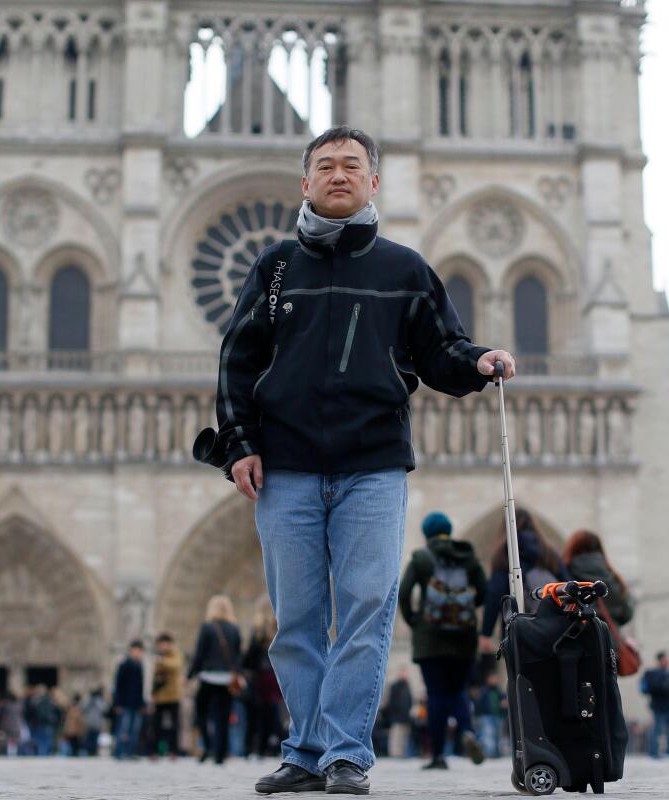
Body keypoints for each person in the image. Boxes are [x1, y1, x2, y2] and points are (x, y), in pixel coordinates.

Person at [206, 126, 517, 795]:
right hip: (286, 465)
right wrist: (238, 445)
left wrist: (478, 362)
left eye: (352, 165)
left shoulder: (404, 268)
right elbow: (237, 359)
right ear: (307, 183)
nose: (339, 174)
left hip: (372, 465)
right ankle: (306, 749)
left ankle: (346, 752)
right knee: (295, 618)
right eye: (326, 166)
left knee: (367, 608)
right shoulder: (276, 266)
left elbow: (441, 350)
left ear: (373, 182)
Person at [397, 511, 487, 769]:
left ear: (427, 534)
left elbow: (404, 593)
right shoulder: (468, 558)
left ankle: (437, 755)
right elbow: (483, 591)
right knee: (459, 691)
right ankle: (468, 730)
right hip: (464, 637)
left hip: (430, 639)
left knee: (435, 694)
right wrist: (466, 609)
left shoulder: (422, 558)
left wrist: (415, 620)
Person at [479, 510, 567, 649]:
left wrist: (486, 633)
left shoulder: (505, 554)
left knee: (521, 668)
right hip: (553, 626)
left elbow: (495, 594)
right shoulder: (549, 553)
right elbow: (566, 586)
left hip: (518, 629)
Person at [187, 595, 242, 765]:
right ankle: (220, 754)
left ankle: (208, 744)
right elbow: (238, 656)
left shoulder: (207, 628)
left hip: (208, 677)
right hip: (227, 679)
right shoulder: (235, 629)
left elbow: (199, 655)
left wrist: (189, 675)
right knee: (223, 718)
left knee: (201, 713)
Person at [561, 530, 634, 627]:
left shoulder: (564, 573)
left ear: (571, 548)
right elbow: (627, 613)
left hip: (577, 636)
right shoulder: (613, 575)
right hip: (608, 638)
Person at [242, 599, 283, 759]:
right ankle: (275, 744)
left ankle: (260, 746)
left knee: (260, 712)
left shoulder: (258, 631)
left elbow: (250, 657)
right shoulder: (277, 629)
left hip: (261, 677)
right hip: (275, 675)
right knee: (275, 711)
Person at [151, 632, 185, 758]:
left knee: (174, 725)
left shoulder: (175, 654)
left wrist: (162, 661)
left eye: (164, 644)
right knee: (156, 725)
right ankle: (156, 751)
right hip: (160, 695)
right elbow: (156, 676)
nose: (162, 646)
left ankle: (173, 750)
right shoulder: (159, 655)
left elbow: (176, 665)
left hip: (173, 695)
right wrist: (153, 692)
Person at [113, 641, 147, 759]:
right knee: (124, 729)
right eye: (136, 650)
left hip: (136, 704)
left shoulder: (139, 666)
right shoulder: (124, 665)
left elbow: (140, 687)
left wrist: (142, 703)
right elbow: (118, 685)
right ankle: (119, 751)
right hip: (125, 703)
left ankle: (130, 752)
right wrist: (117, 703)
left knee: (134, 730)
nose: (138, 653)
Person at [641, 652, 669, 758]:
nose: (667, 662)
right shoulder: (654, 673)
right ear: (660, 661)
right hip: (658, 706)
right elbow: (655, 689)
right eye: (665, 660)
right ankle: (654, 752)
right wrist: (665, 687)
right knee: (658, 729)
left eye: (667, 659)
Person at [384, 667, 413, 759]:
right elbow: (392, 701)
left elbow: (409, 700)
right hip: (396, 715)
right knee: (396, 735)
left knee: (404, 735)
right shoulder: (395, 686)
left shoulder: (407, 685)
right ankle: (394, 753)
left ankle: (402, 752)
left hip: (405, 716)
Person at [476, 672, 504, 759]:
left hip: (497, 715)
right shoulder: (484, 690)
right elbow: (479, 703)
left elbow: (503, 701)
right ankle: (489, 753)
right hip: (486, 716)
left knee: (496, 734)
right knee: (488, 734)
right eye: (493, 678)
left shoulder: (498, 691)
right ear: (488, 679)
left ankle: (496, 752)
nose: (495, 680)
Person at [82, 687, 106, 757]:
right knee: (88, 739)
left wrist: (98, 700)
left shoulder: (100, 701)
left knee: (95, 739)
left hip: (97, 724)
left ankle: (93, 752)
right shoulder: (89, 700)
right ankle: (87, 751)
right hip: (89, 724)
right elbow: (83, 708)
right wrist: (90, 700)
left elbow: (104, 709)